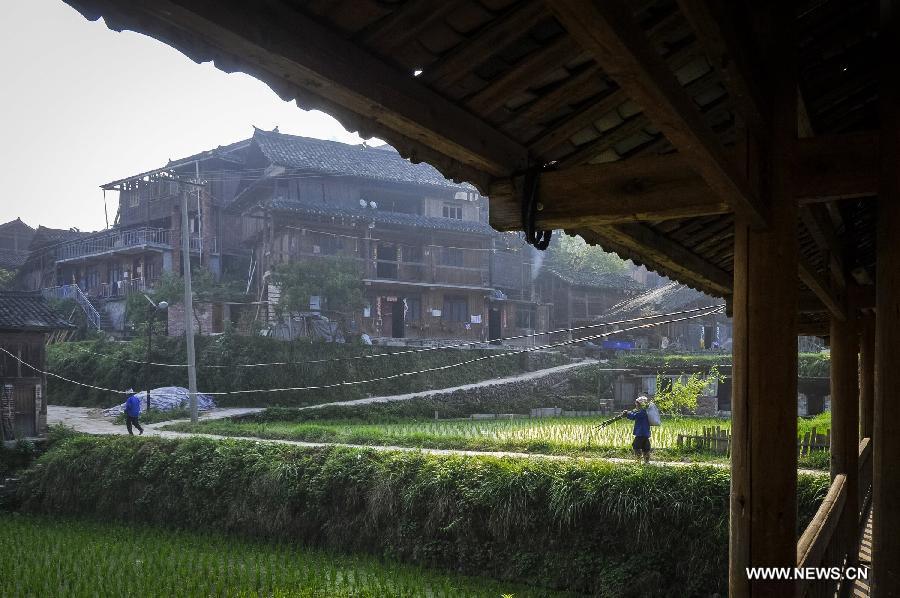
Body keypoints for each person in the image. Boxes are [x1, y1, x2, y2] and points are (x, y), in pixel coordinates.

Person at [623, 396, 651, 463]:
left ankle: (638, 461)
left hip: (640, 433)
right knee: (645, 448)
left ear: (640, 405)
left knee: (636, 446)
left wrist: (627, 414)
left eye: (637, 404)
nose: (636, 406)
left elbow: (634, 416)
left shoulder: (642, 412)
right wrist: (629, 413)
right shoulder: (644, 411)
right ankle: (646, 462)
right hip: (645, 434)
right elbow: (634, 414)